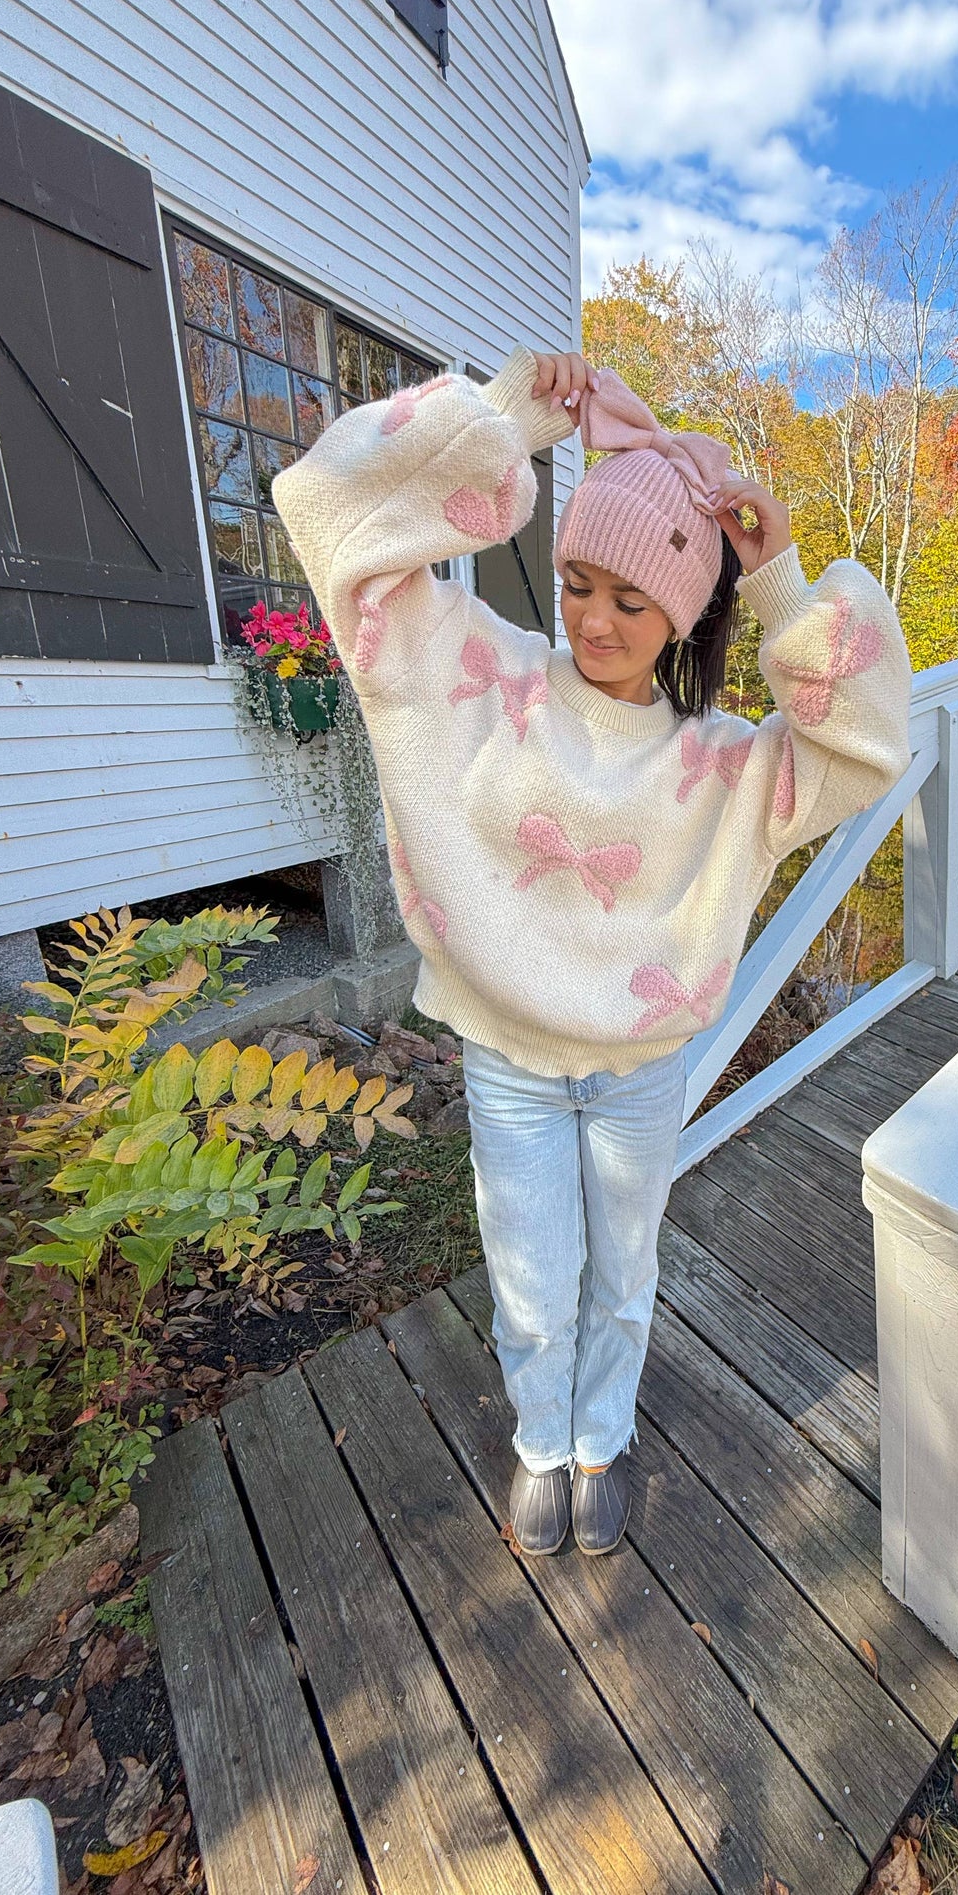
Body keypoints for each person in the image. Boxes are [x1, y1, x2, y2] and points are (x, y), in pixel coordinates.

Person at [272, 345, 912, 1556]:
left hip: (639, 1072)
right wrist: (505, 424)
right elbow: (332, 512)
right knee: (527, 1277)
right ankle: (536, 1441)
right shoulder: (486, 678)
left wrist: (777, 579)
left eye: (631, 599)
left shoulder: (725, 764)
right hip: (508, 1057)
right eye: (576, 582)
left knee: (623, 1272)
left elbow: (875, 739)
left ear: (679, 612)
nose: (594, 619)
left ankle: (597, 1441)